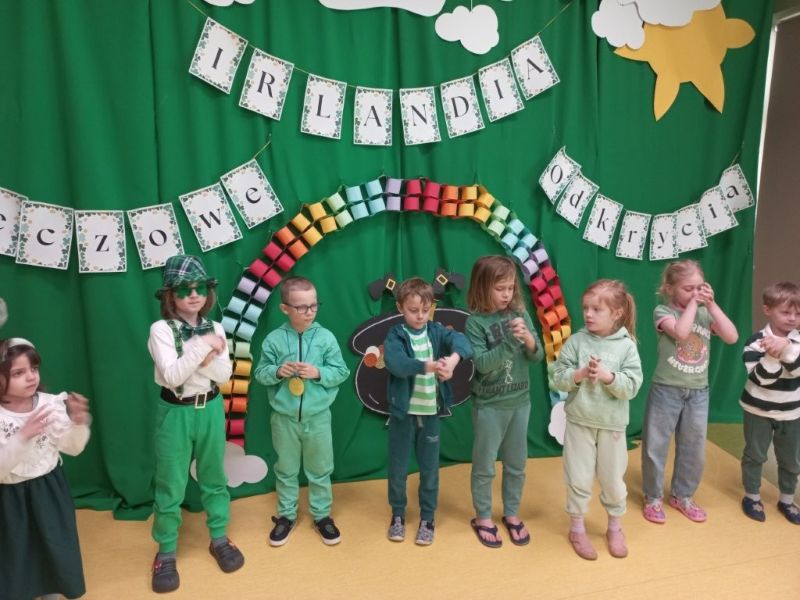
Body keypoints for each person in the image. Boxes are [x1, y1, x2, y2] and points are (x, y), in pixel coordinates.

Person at [148, 254, 244, 593]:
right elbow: (173, 376)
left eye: (200, 288)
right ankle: (166, 551)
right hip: (175, 412)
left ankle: (218, 537)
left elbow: (224, 374)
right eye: (184, 289)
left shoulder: (216, 327)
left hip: (211, 407)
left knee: (214, 476)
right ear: (170, 295)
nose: (193, 295)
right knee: (171, 483)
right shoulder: (161, 330)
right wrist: (203, 349)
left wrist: (200, 358)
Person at [254, 276, 350, 547]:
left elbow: (342, 371)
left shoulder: (325, 337)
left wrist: (318, 372)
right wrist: (277, 371)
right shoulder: (273, 339)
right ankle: (286, 515)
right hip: (283, 419)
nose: (309, 312)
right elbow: (260, 373)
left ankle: (322, 515)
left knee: (320, 469)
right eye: (301, 307)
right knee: (285, 469)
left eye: (313, 305)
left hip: (318, 418)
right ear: (285, 308)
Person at [641, 259, 738, 524]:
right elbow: (682, 333)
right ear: (670, 288)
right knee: (655, 446)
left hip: (698, 392)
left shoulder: (706, 314)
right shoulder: (663, 311)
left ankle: (682, 496)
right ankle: (653, 497)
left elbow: (731, 337)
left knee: (694, 448)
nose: (695, 293)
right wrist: (696, 304)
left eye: (699, 287)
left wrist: (712, 305)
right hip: (666, 390)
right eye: (688, 289)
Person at [552, 280, 642, 560]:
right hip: (579, 422)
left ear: (616, 313)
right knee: (578, 478)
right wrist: (578, 375)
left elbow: (632, 386)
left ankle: (614, 527)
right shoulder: (577, 341)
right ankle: (577, 528)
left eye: (597, 309)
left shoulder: (627, 346)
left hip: (612, 426)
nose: (588, 314)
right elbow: (557, 378)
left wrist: (608, 377)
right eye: (585, 308)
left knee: (613, 481)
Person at [383, 277, 473, 545]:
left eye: (425, 309)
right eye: (413, 310)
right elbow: (397, 363)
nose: (420, 316)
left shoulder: (436, 330)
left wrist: (453, 361)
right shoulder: (396, 335)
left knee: (430, 469)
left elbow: (463, 342)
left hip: (430, 414)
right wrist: (428, 366)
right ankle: (398, 515)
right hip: (403, 415)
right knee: (398, 468)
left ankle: (427, 518)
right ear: (400, 307)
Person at [0, 337, 91, 599]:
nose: (31, 377)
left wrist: (78, 423)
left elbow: (73, 448)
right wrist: (22, 437)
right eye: (18, 373)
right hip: (10, 497)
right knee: (16, 548)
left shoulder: (50, 404)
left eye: (34, 369)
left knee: (55, 541)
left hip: (49, 489)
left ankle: (53, 586)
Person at [465, 255, 543, 548]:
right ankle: (483, 516)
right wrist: (511, 341)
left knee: (516, 464)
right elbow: (483, 364)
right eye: (500, 289)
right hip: (490, 405)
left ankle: (511, 513)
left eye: (510, 288)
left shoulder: (519, 313)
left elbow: (537, 356)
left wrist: (529, 340)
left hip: (520, 402)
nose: (507, 294)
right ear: (482, 287)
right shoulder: (475, 322)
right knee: (485, 466)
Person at [739, 281, 800, 524]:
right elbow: (762, 379)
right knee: (755, 455)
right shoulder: (755, 342)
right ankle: (752, 496)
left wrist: (786, 350)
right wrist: (773, 356)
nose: (792, 318)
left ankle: (787, 499)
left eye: (797, 314)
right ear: (767, 310)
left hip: (792, 413)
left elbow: (797, 370)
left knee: (791, 459)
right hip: (758, 410)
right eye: (786, 312)